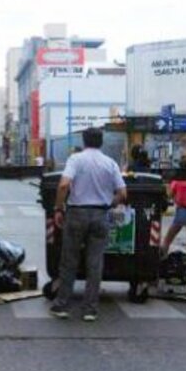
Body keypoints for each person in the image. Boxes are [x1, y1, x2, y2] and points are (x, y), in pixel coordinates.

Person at [50, 128, 127, 322]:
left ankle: (62, 306)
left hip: (76, 214)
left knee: (69, 261)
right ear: (101, 142)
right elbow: (123, 194)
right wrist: (110, 203)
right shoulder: (110, 163)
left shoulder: (76, 159)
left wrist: (59, 208)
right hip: (100, 214)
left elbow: (63, 185)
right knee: (95, 263)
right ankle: (90, 309)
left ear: (84, 141)